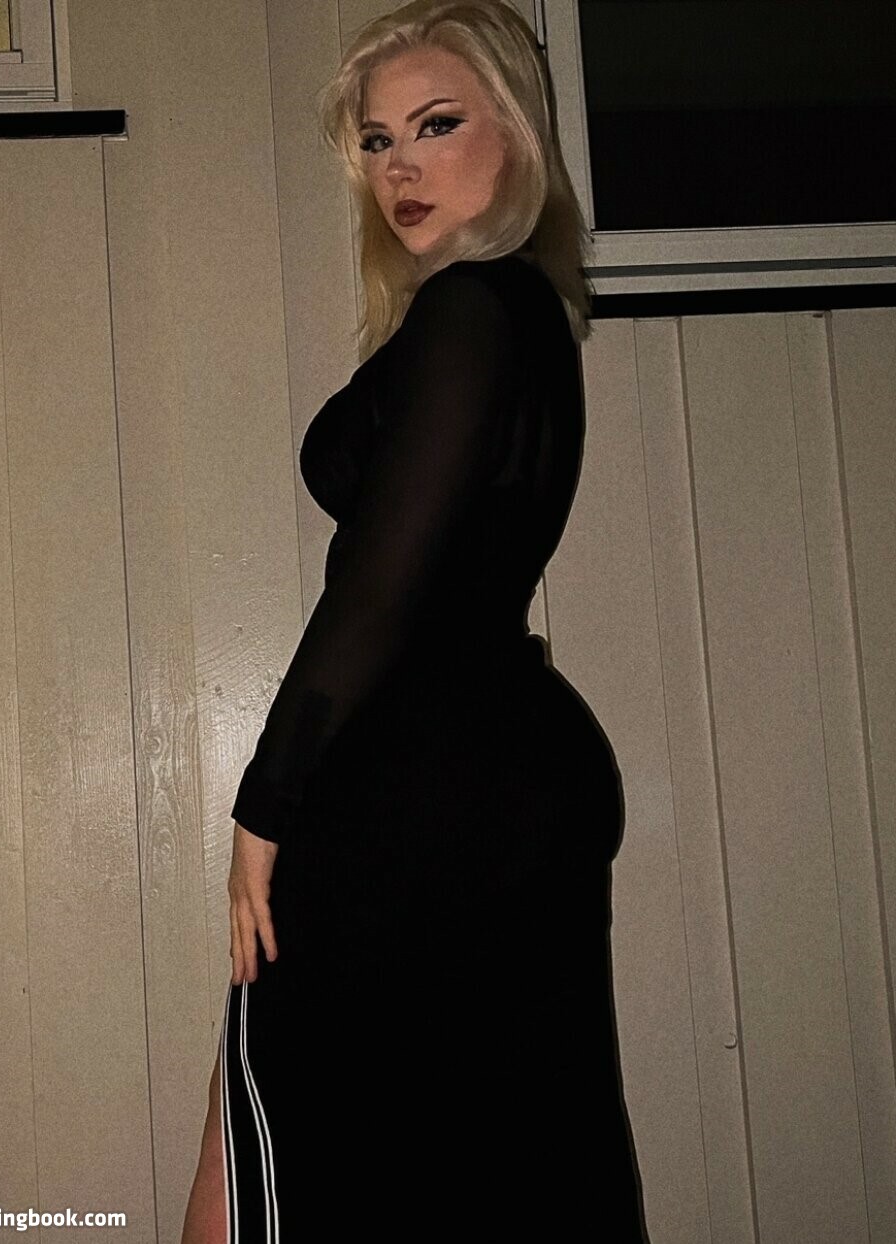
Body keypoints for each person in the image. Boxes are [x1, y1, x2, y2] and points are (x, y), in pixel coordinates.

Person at [182, 2, 650, 1240]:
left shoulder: (476, 308)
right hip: (489, 776)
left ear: (518, 134)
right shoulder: (513, 318)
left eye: (436, 125)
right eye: (378, 140)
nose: (400, 167)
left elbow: (381, 587)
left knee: (278, 1163)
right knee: (498, 1158)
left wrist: (263, 803)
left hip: (422, 785)